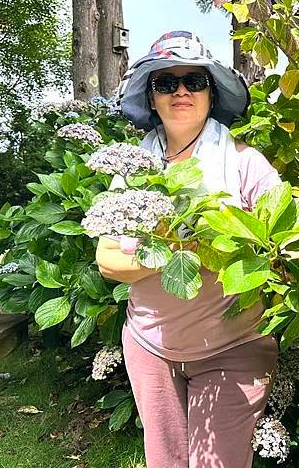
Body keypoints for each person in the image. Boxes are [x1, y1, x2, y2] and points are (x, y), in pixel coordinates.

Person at [95, 31, 281, 468]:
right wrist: (185, 247)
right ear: (152, 96)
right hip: (149, 347)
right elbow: (107, 261)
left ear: (211, 94)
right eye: (166, 83)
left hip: (233, 346)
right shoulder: (132, 172)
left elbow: (296, 247)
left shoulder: (246, 163)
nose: (181, 91)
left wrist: (161, 252)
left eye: (195, 81)